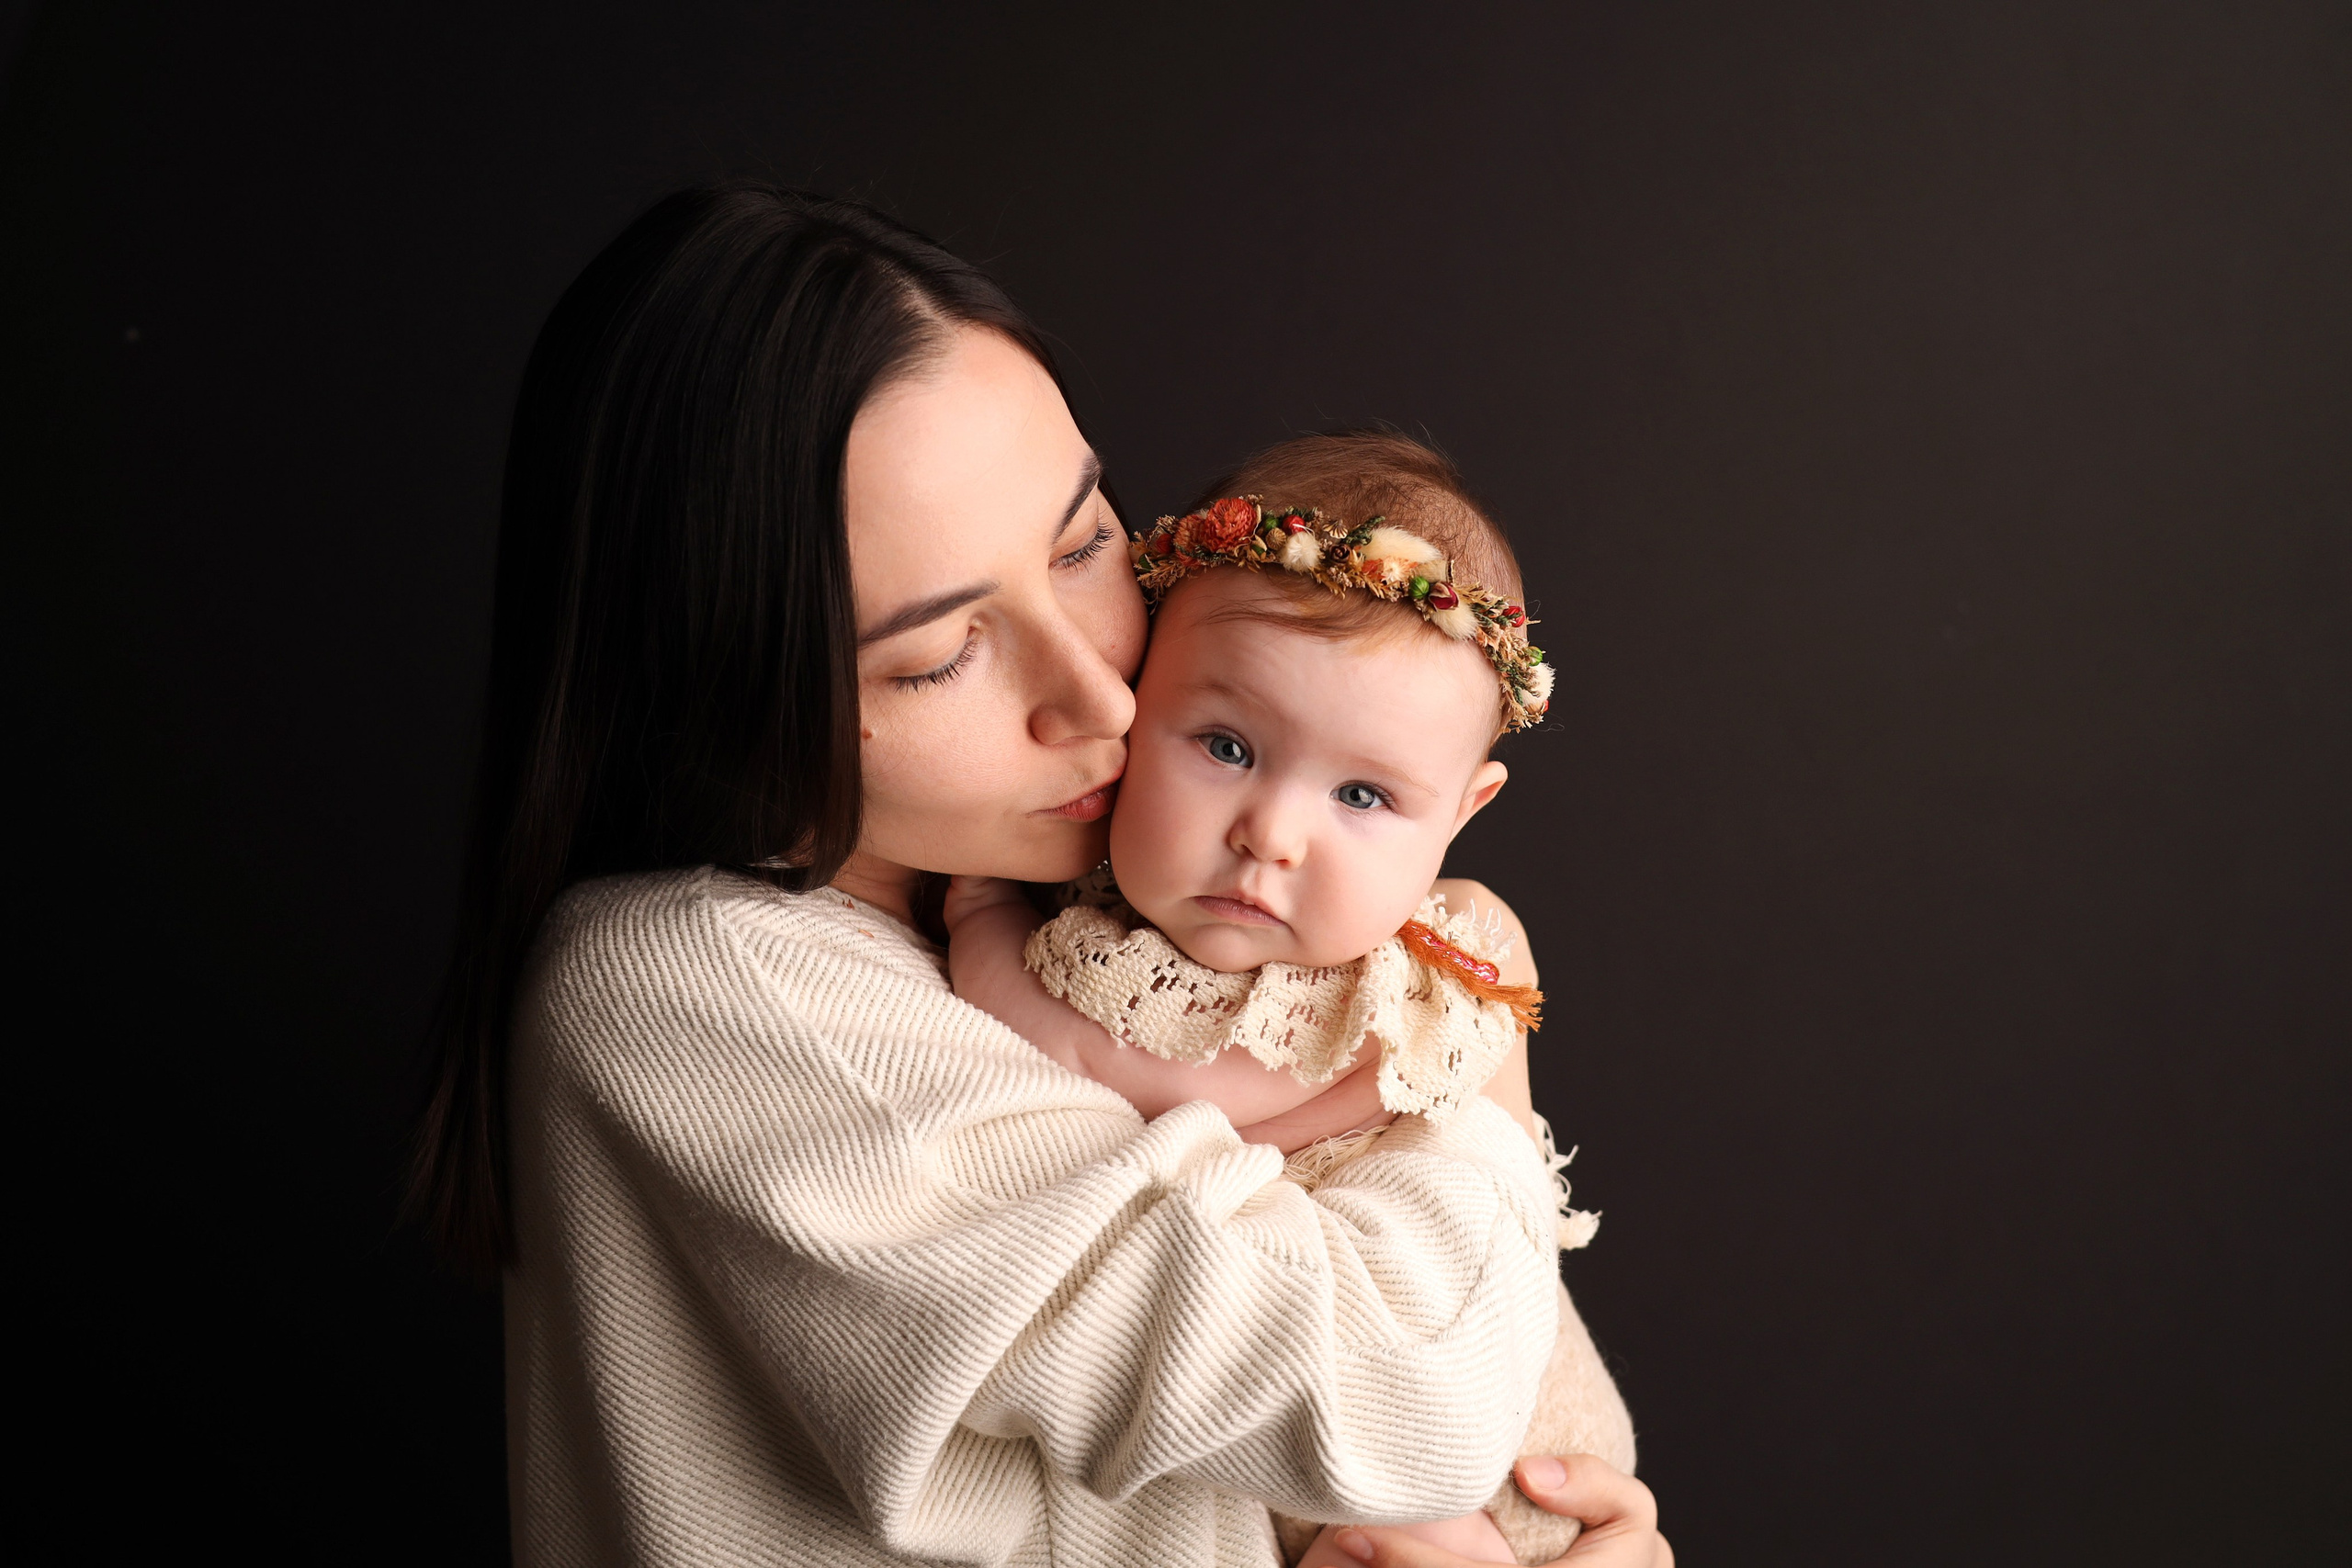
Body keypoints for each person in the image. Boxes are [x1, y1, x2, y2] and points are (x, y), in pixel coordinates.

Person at [410, 182, 1673, 1568]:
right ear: (724, 689)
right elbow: (1410, 1395)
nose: (1097, 694)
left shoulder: (1099, 913)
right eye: (940, 653)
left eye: (1080, 544)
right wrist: (1481, 1060)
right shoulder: (705, 983)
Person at [944, 434, 1632, 1566]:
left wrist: (980, 927)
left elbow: (1092, 1060)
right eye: (1225, 745)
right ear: (1135, 698)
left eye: (1363, 793)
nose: (1272, 833)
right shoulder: (1118, 925)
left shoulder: (1390, 992)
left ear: (1462, 814)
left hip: (1513, 1461)